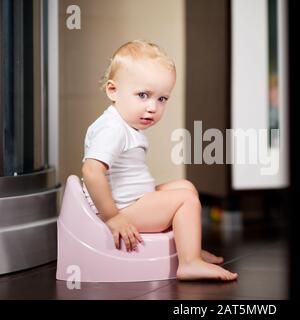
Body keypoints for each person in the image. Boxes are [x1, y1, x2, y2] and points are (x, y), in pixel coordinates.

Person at [81, 40, 238, 281]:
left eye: (162, 99)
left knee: (185, 187)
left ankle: (189, 248)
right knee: (185, 199)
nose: (153, 107)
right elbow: (92, 171)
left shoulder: (123, 124)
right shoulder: (112, 129)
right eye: (143, 95)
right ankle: (189, 262)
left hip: (129, 201)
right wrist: (113, 217)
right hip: (119, 209)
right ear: (113, 91)